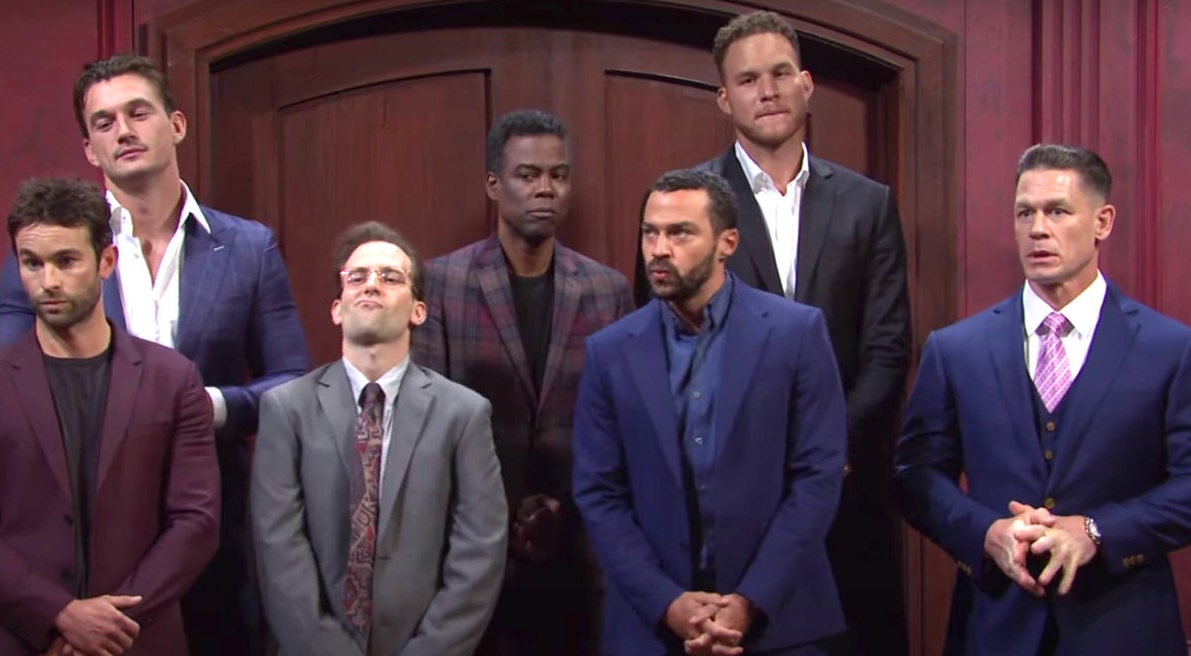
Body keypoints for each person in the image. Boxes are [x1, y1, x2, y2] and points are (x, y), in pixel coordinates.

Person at [0, 54, 310, 655]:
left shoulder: (248, 247)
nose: (122, 130)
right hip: (76, 537)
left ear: (176, 124)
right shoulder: (57, 253)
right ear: (89, 148)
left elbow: (292, 382)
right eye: (103, 122)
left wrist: (206, 407)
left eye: (138, 112)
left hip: (209, 532)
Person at [630, 12, 914, 653]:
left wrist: (828, 451)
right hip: (724, 500)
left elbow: (887, 347)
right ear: (724, 98)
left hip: (844, 491)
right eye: (748, 79)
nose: (768, 90)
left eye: (781, 74)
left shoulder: (868, 203)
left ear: (806, 84)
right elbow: (663, 346)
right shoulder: (681, 209)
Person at [894, 144, 1191, 655]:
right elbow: (915, 476)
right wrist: (985, 533)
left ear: (1102, 222)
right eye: (1024, 213)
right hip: (994, 628)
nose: (1037, 229)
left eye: (1057, 212)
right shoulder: (957, 349)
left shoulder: (1169, 348)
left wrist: (1098, 532)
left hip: (1124, 627)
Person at [0, 177, 220, 655]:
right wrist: (58, 615)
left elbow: (196, 521)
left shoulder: (172, 380)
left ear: (106, 261)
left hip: (136, 639)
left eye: (66, 261)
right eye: (32, 263)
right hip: (18, 640)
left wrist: (110, 624)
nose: (48, 281)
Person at [574, 169, 847, 656]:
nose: (659, 249)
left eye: (680, 233)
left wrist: (751, 600)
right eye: (650, 233)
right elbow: (598, 493)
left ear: (727, 242)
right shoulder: (610, 351)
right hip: (650, 629)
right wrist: (666, 603)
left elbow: (817, 477)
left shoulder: (795, 333)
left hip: (779, 625)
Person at [412, 109, 633, 655]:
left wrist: (562, 511)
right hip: (474, 545)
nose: (545, 189)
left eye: (558, 175)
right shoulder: (441, 283)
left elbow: (621, 428)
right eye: (528, 175)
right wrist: (506, 514)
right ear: (494, 185)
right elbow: (428, 423)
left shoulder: (607, 290)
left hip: (580, 547)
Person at [252, 221, 507, 656]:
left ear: (418, 311)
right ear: (337, 308)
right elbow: (278, 550)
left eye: (390, 277)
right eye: (357, 277)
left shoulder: (463, 414)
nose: (371, 284)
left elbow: (480, 551)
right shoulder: (286, 409)